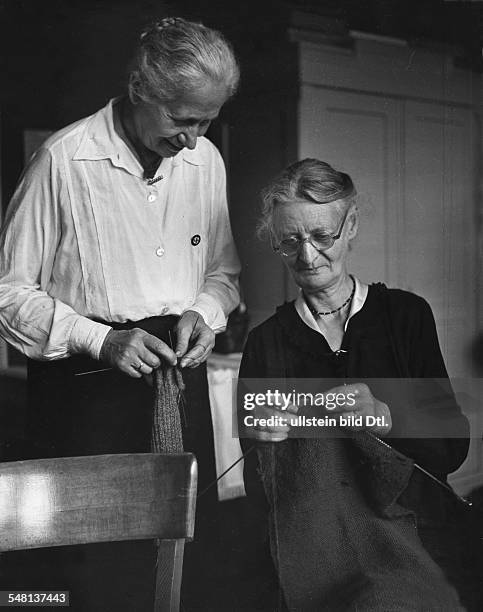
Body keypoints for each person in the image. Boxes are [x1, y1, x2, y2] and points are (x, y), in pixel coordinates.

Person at [0, 16, 240, 610]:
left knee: (180, 555)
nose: (193, 137)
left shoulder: (206, 162)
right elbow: (8, 293)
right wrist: (100, 340)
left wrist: (205, 313)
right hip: (83, 392)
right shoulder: (62, 159)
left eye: (206, 120)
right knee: (87, 570)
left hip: (176, 387)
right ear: (138, 88)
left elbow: (224, 274)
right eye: (181, 119)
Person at [238, 159, 471, 611]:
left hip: (416, 535)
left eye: (322, 236)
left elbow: (452, 446)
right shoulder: (266, 342)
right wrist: (266, 444)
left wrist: (387, 417)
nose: (307, 257)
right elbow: (258, 490)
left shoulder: (404, 316)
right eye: (290, 241)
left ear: (351, 226)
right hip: (315, 545)